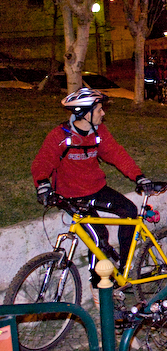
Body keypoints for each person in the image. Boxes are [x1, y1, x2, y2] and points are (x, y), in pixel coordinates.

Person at [31, 88, 158, 296]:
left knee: (129, 211)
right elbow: (42, 162)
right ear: (84, 113)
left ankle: (124, 270)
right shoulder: (60, 136)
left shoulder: (99, 132)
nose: (103, 113)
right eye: (99, 110)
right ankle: (99, 286)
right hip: (72, 196)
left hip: (96, 189)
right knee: (99, 237)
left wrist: (139, 176)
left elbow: (117, 154)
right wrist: (43, 184)